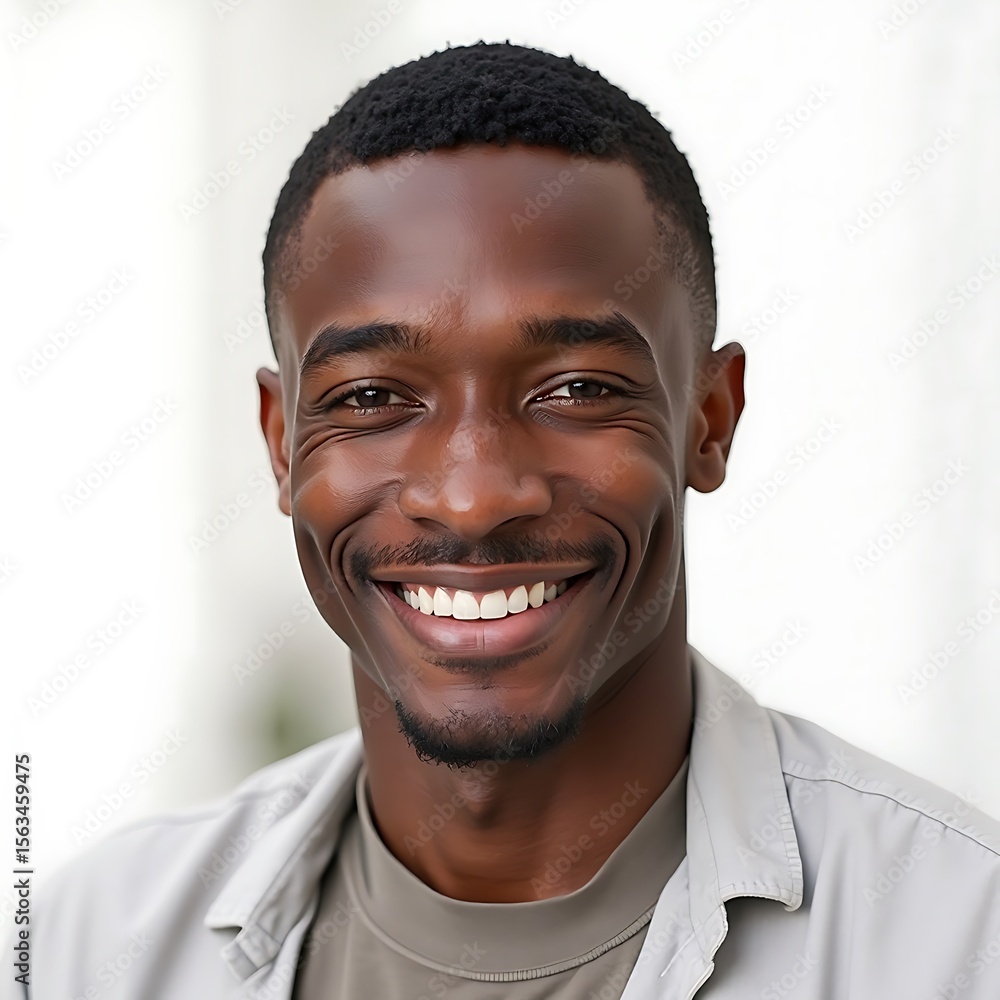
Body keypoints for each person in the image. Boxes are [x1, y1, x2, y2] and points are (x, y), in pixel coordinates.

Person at [14, 40, 1000, 1000]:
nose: (476, 497)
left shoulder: (959, 936)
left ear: (710, 416)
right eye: (368, 399)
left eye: (574, 388)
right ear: (280, 442)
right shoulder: (83, 947)